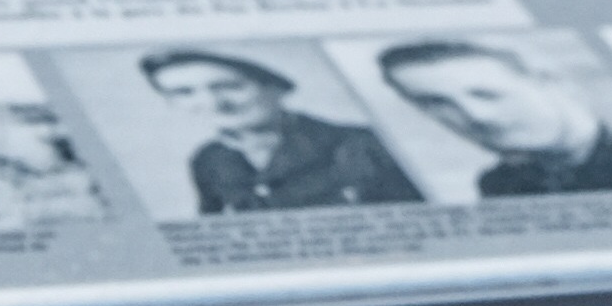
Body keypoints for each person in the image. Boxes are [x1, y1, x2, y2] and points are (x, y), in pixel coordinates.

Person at [376, 38, 612, 198]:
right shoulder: (501, 185)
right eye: (437, 104)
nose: (476, 117)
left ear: (551, 83)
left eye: (487, 94)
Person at [141, 50, 421, 213]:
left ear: (275, 86)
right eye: (183, 93)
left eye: (230, 86)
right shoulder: (208, 160)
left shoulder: (362, 143)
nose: (215, 104)